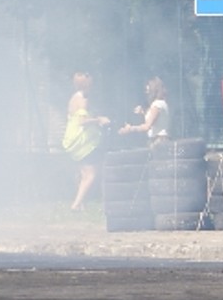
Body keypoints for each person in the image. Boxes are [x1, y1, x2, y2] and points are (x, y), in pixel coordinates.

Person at [62, 70, 109, 210]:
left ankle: (81, 204)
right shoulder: (83, 99)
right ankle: (76, 204)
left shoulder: (73, 98)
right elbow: (82, 121)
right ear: (86, 85)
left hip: (73, 140)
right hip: (83, 142)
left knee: (84, 174)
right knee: (91, 174)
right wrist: (99, 119)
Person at [117, 76, 171, 145]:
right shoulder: (160, 103)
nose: (145, 87)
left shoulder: (157, 104)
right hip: (160, 140)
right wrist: (144, 112)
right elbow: (156, 121)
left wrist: (130, 129)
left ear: (154, 87)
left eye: (148, 85)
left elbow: (147, 126)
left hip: (159, 141)